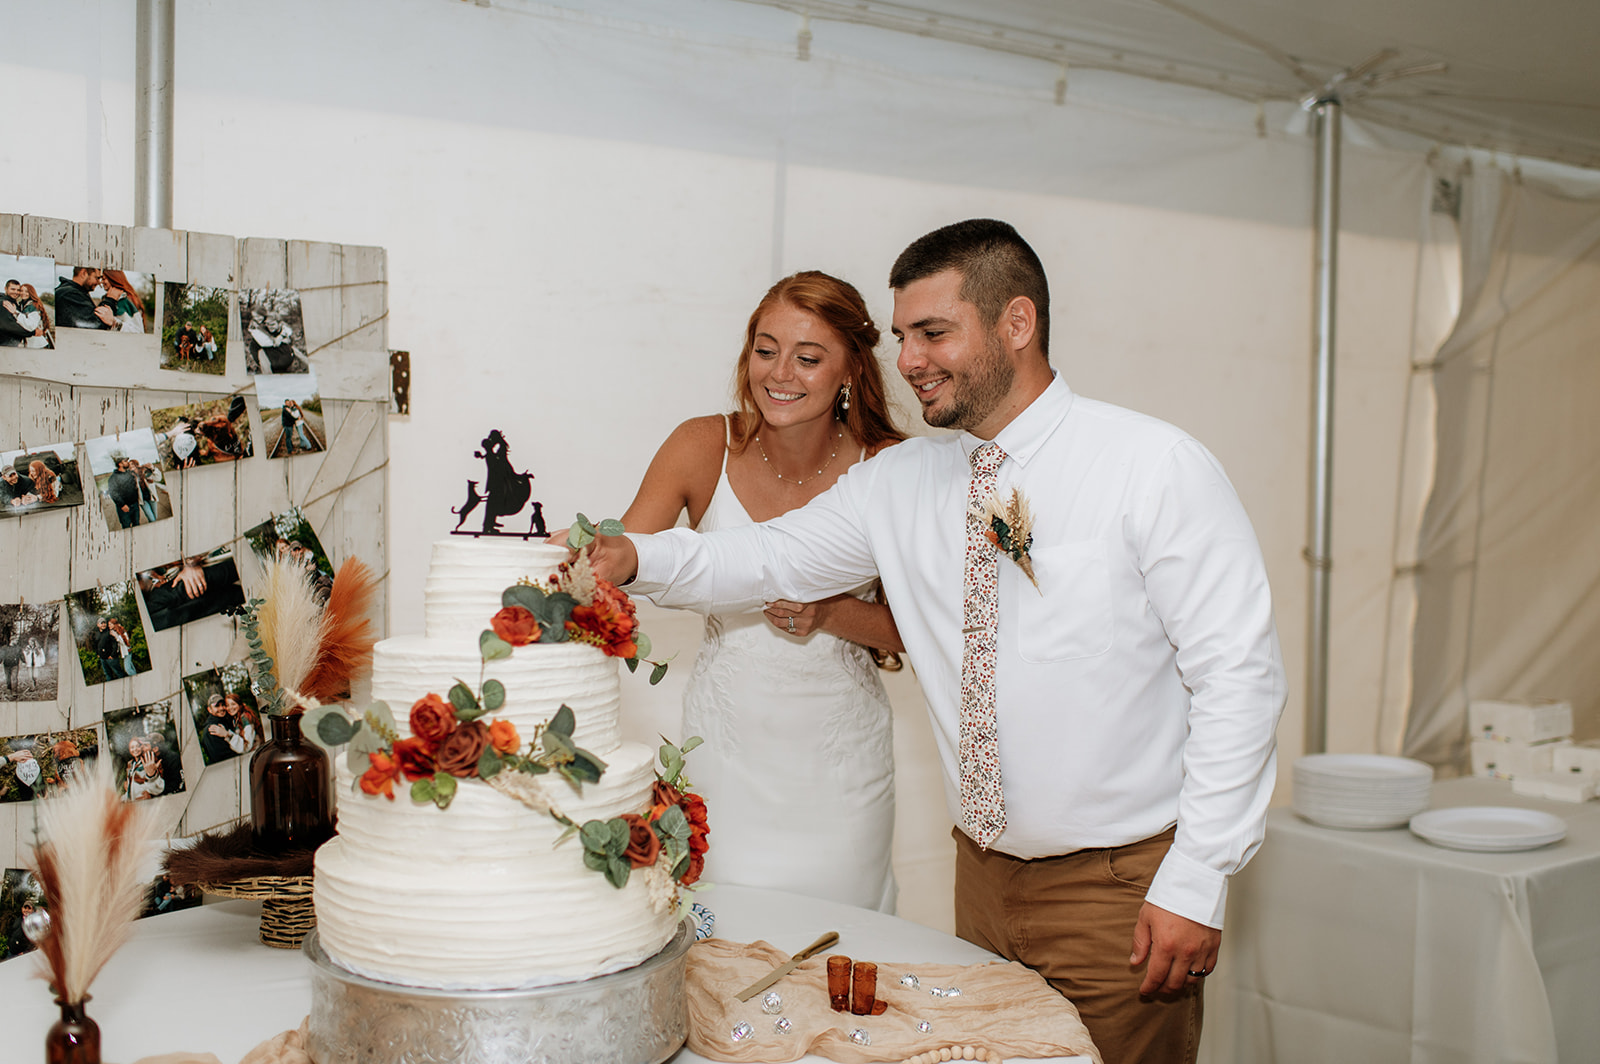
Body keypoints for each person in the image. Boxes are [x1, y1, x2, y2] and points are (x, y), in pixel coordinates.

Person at [586, 220, 1285, 1063]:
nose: (909, 358)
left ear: (1015, 325)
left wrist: (1199, 875)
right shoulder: (898, 482)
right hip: (981, 880)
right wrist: (636, 555)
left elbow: (1238, 677)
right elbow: (769, 555)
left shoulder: (1151, 465)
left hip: (1121, 893)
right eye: (903, 335)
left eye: (933, 333)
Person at [607, 270, 908, 912]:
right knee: (724, 940)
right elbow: (619, 567)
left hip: (841, 765)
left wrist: (831, 612)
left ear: (850, 369)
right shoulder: (701, 444)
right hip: (726, 756)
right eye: (765, 350)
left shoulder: (889, 467)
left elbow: (917, 629)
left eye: (808, 358)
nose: (780, 374)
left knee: (843, 940)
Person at [105, 457, 142, 529]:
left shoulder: (130, 474)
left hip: (135, 506)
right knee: (126, 527)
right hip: (124, 509)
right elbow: (113, 493)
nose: (127, 462)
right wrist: (122, 505)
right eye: (125, 461)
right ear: (120, 464)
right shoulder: (113, 478)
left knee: (137, 525)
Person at [15, 283, 53, 348]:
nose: (23, 293)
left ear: (31, 293)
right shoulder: (22, 305)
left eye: (26, 291)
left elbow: (31, 325)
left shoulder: (33, 306)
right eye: (21, 291)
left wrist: (16, 313)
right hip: (30, 343)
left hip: (37, 344)